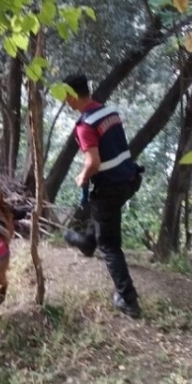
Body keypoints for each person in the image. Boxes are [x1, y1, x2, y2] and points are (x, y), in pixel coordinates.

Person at [62, 73, 143, 318]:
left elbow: (93, 161)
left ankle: (127, 299)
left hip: (109, 187)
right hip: (129, 179)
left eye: (66, 96)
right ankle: (87, 243)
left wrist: (83, 177)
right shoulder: (110, 113)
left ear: (72, 95)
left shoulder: (85, 126)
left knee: (109, 245)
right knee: (102, 217)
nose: (65, 101)